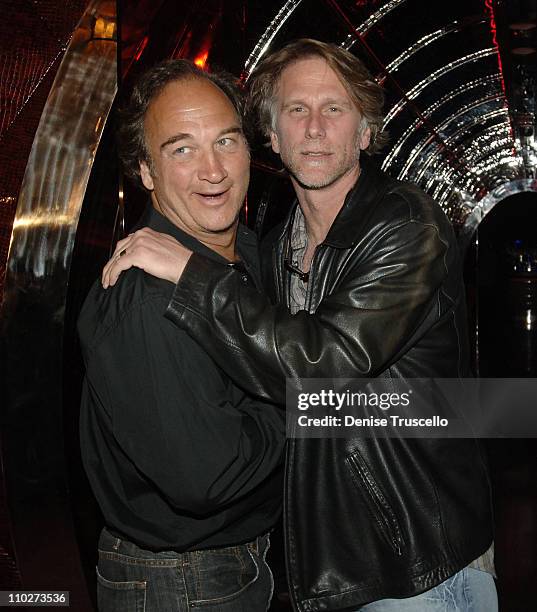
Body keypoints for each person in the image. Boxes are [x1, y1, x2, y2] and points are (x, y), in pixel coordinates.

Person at [102, 40, 496, 611]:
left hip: (420, 560)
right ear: (272, 136)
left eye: (334, 108)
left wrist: (191, 274)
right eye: (295, 110)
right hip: (331, 562)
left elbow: (324, 365)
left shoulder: (405, 224)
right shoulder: (275, 246)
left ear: (364, 131)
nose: (314, 128)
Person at [78, 59, 286, 612]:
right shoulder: (147, 297)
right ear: (145, 171)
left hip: (229, 566)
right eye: (182, 149)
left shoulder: (249, 250)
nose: (213, 171)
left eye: (226, 141)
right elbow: (209, 476)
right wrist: (309, 399)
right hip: (181, 583)